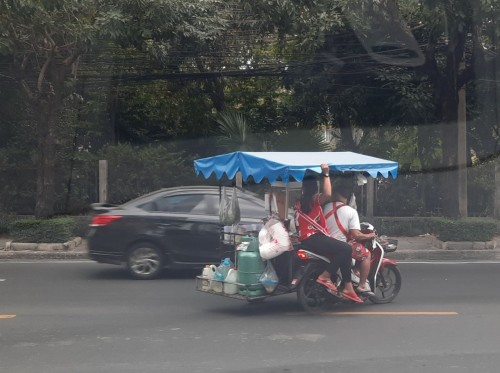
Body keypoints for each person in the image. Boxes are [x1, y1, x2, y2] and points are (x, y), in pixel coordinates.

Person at [294, 164, 363, 303]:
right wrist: (326, 174)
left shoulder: (298, 202)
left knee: (344, 252)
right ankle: (326, 276)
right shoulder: (314, 201)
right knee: (346, 248)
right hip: (314, 238)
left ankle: (348, 286)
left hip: (305, 239)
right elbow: (327, 194)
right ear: (315, 188)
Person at [323, 182, 376, 295]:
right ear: (349, 197)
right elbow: (356, 234)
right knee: (366, 254)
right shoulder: (351, 211)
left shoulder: (324, 207)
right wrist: (369, 236)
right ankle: (362, 285)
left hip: (324, 243)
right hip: (341, 246)